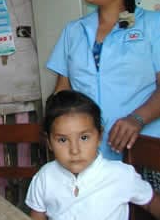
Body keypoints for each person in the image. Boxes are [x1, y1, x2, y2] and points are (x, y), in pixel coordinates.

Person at [46, 0, 160, 160]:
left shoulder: (153, 25)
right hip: (89, 157)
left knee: (145, 195)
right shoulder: (74, 31)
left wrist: (137, 119)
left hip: (144, 151)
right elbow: (62, 91)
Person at [25, 90, 160, 220]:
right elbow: (37, 216)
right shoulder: (45, 177)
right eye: (63, 140)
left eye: (84, 138)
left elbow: (150, 202)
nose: (74, 150)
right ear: (49, 142)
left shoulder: (121, 175)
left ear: (99, 136)